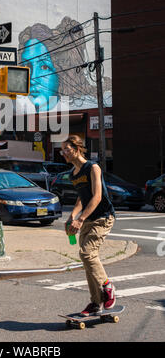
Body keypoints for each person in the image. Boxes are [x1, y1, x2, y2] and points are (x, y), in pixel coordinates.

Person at [61, 135, 116, 316]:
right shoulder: (73, 174)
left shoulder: (92, 167)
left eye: (66, 150)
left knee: (87, 253)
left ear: (76, 149)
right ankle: (96, 302)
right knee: (87, 259)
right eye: (62, 150)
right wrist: (72, 216)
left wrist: (81, 219)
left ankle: (107, 286)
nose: (63, 154)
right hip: (88, 218)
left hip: (102, 217)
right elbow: (81, 197)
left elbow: (97, 196)